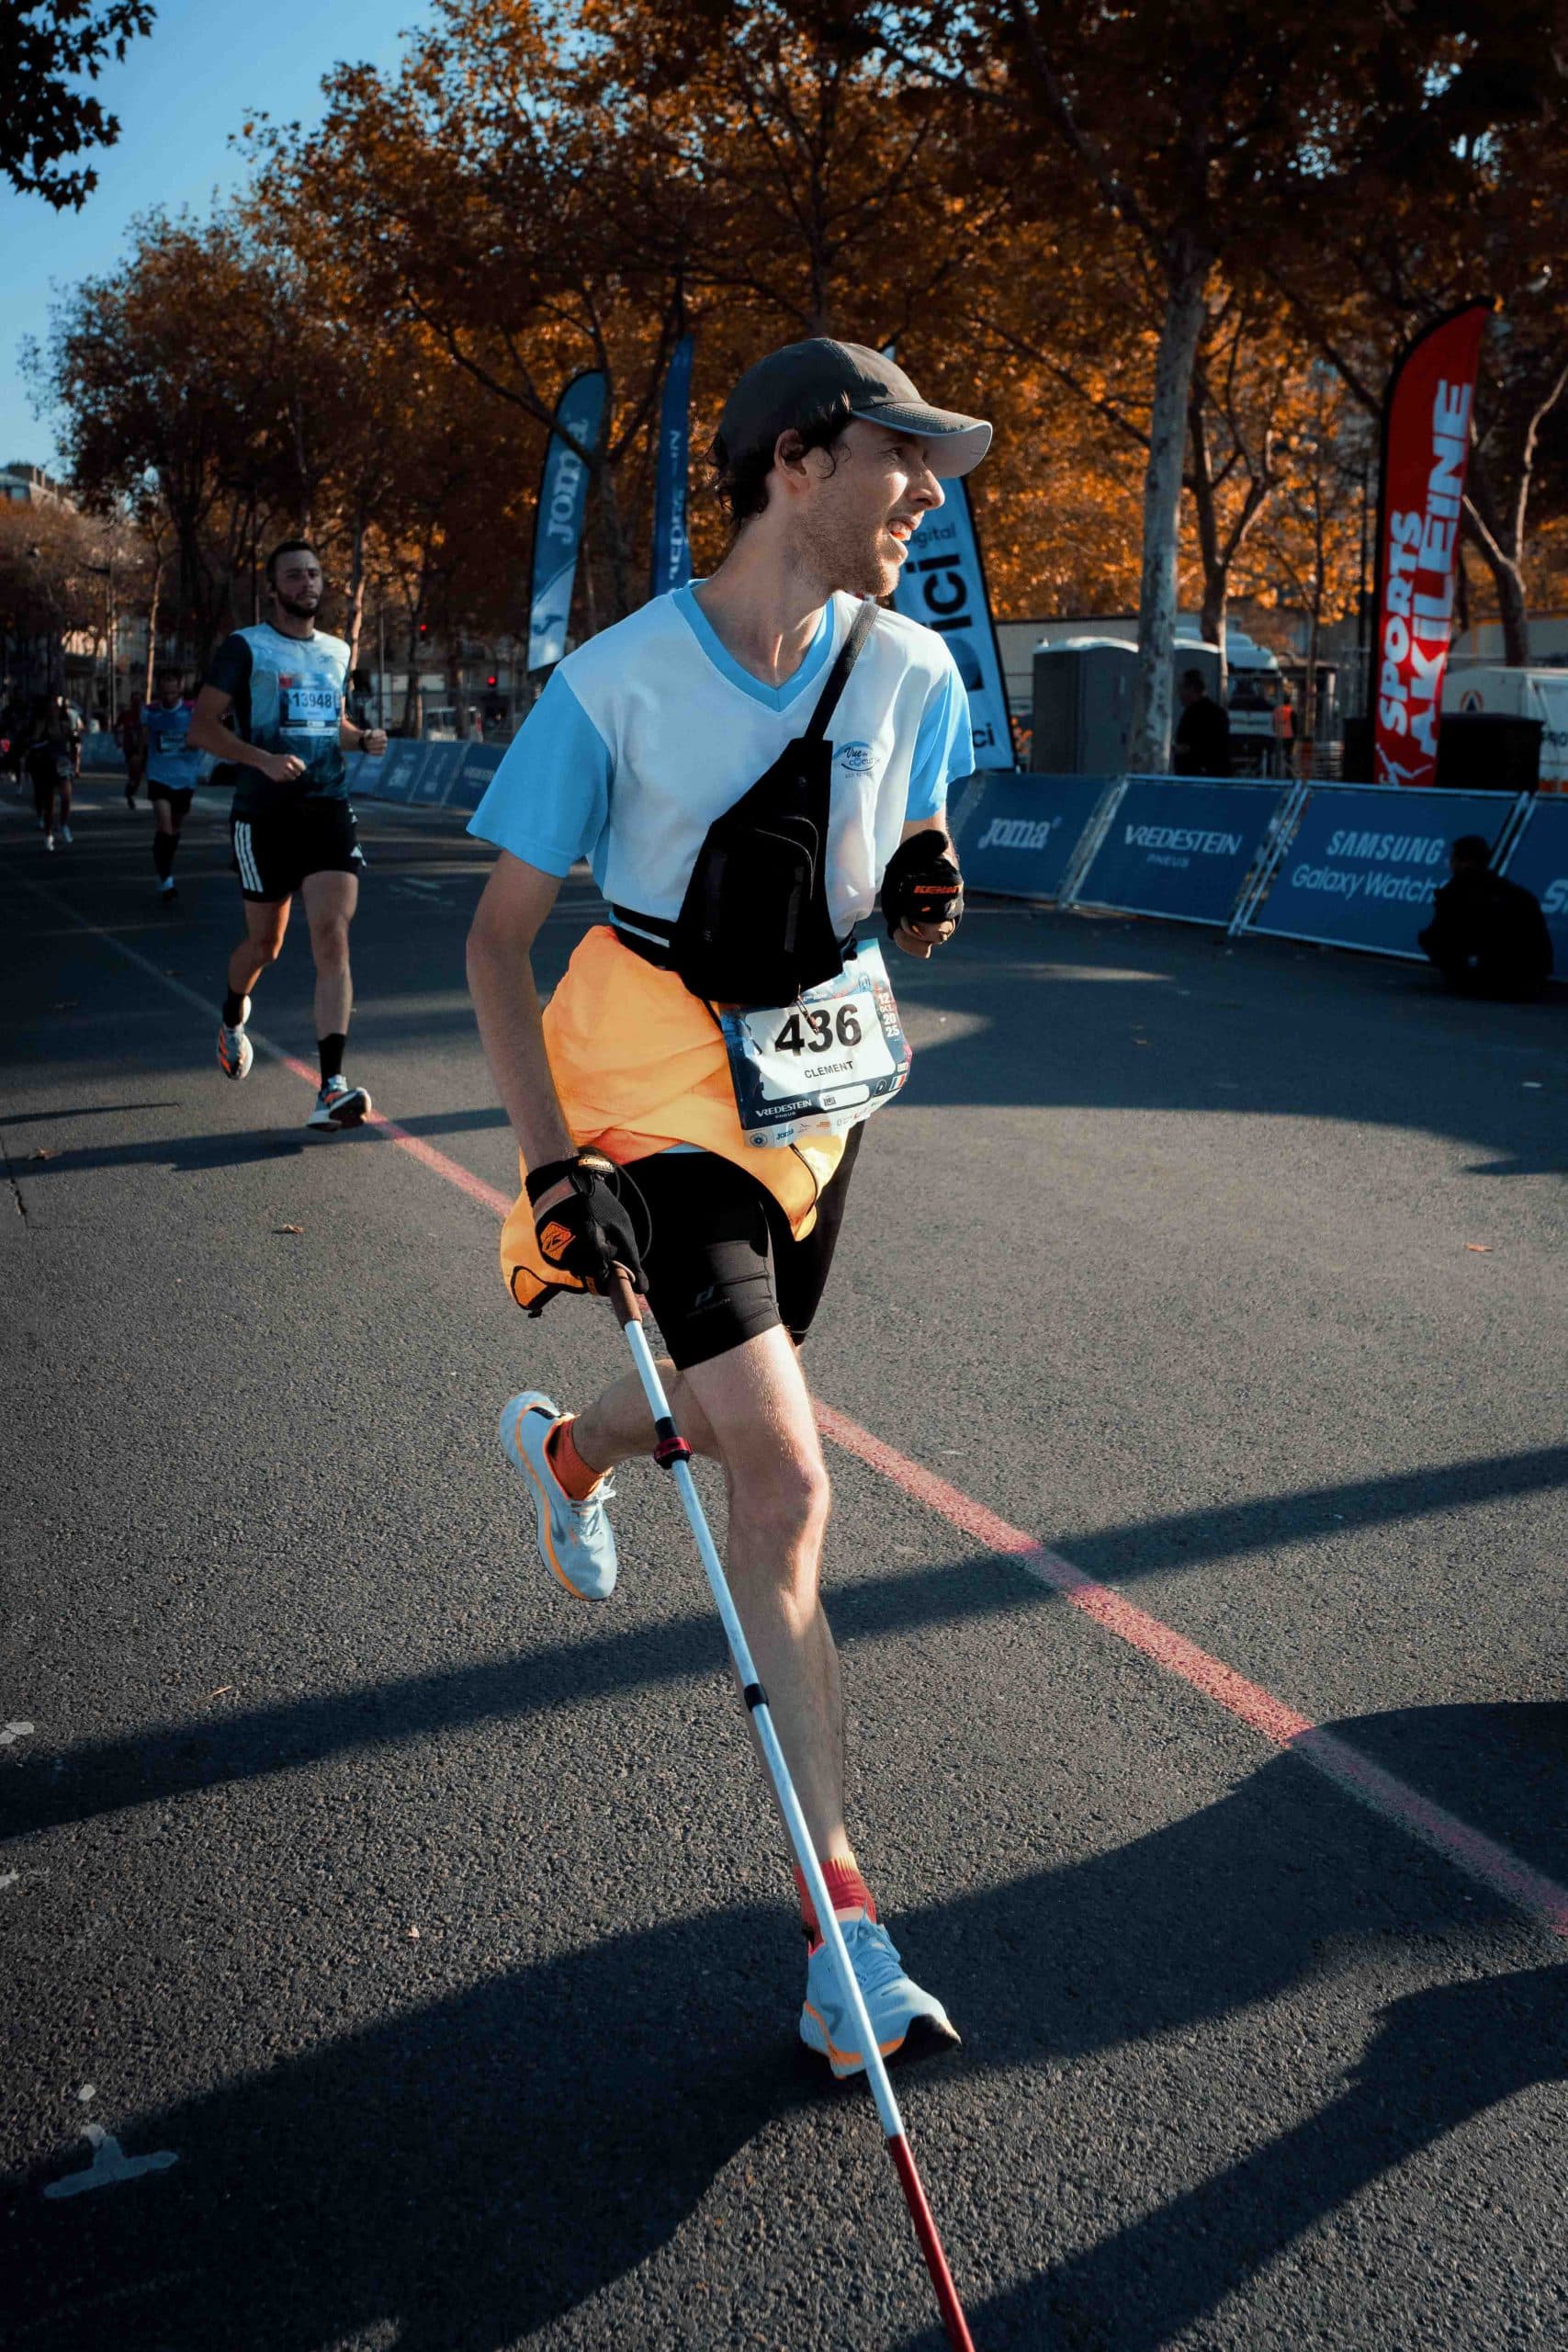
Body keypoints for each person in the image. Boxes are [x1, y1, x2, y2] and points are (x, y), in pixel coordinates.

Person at [466, 337, 987, 2079]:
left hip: (817, 1099)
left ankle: (573, 1452)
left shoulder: (914, 666)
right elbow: (495, 941)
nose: (925, 499)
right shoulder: (612, 680)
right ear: (794, 461)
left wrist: (922, 893)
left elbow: (905, 862)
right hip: (645, 1096)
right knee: (783, 1473)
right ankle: (844, 1935)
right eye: (901, 461)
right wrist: (554, 1165)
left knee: (709, 1408)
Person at [187, 540, 389, 1130]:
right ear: (273, 587)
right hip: (264, 816)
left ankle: (331, 1088)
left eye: (315, 574)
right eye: (295, 575)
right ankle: (232, 1017)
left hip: (328, 808)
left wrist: (361, 738)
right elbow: (202, 727)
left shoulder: (337, 650)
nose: (308, 584)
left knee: (332, 936)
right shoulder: (246, 647)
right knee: (265, 948)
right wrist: (262, 759)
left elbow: (331, 722)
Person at [1418, 833, 1553, 999]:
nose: (1450, 863)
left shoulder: (1457, 893)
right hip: (1529, 978)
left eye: (1453, 858)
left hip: (1491, 976)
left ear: (1463, 862)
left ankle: (1467, 980)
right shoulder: (1515, 892)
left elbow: (1442, 934)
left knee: (1429, 938)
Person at [138, 667, 202, 899]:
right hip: (158, 776)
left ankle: (163, 862)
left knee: (174, 829)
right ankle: (166, 879)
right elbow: (143, 741)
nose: (168, 698)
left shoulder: (193, 710)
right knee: (165, 826)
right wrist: (137, 767)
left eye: (172, 693)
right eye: (164, 693)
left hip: (185, 778)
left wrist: (199, 739)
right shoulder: (149, 712)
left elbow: (221, 719)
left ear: (181, 689)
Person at [24, 695, 77, 849]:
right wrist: (41, 744)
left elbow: (73, 740)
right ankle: (48, 834)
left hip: (62, 766)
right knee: (50, 804)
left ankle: (64, 824)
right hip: (46, 766)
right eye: (50, 707)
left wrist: (74, 746)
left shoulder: (63, 726)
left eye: (55, 707)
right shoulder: (40, 725)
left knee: (66, 796)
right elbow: (32, 742)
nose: (53, 710)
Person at [1172, 667, 1231, 776]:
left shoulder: (1196, 714)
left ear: (1191, 689)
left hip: (1199, 776)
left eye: (1181, 688)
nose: (1178, 693)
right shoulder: (1217, 712)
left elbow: (1212, 746)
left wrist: (1185, 749)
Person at [118, 693, 146, 807]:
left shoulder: (145, 714)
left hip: (143, 747)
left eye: (139, 702)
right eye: (134, 701)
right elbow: (117, 727)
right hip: (130, 747)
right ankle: (130, 787)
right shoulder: (126, 714)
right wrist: (118, 740)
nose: (136, 704)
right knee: (134, 767)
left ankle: (131, 791)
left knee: (138, 776)